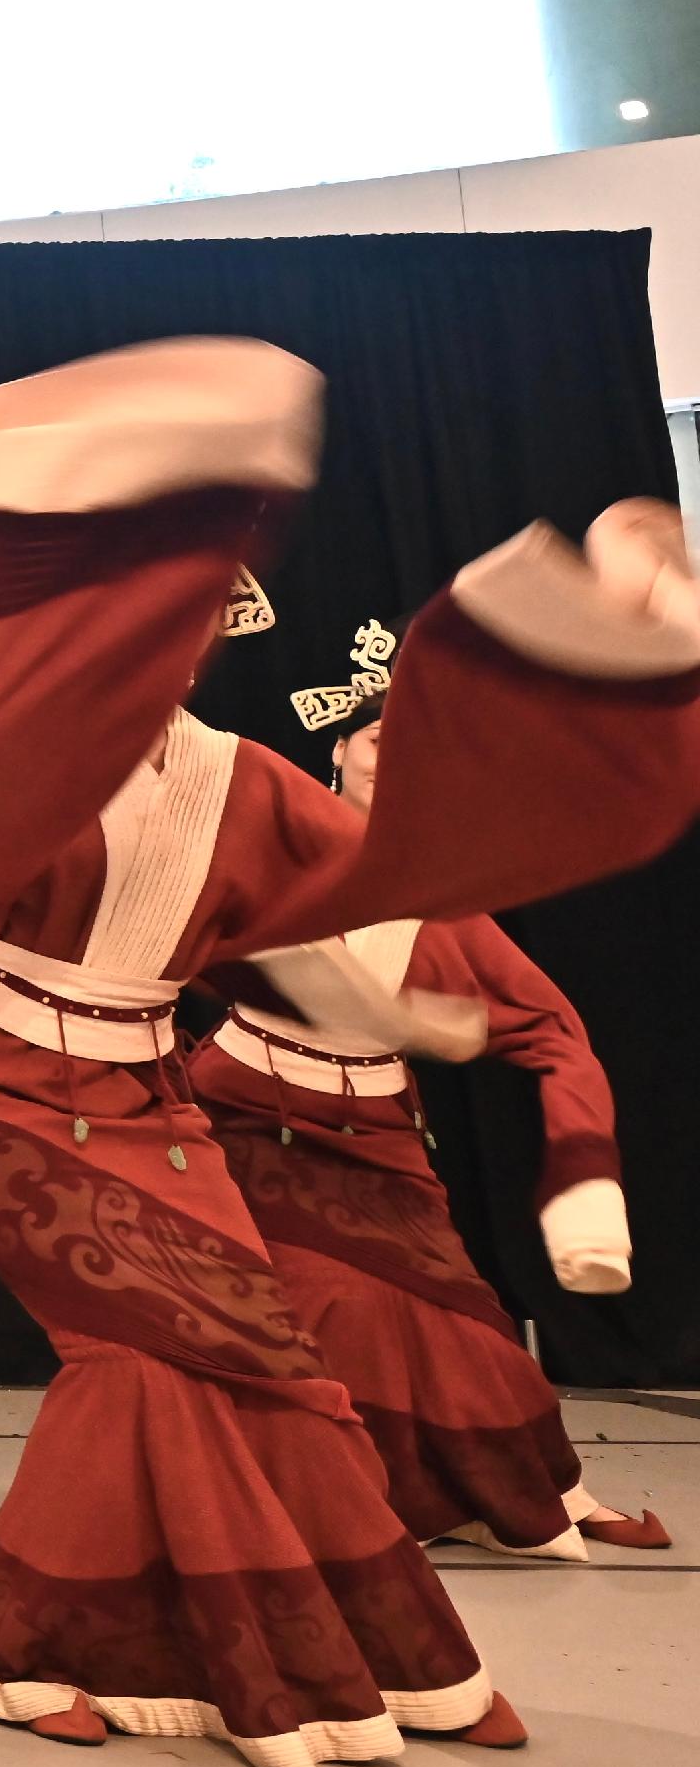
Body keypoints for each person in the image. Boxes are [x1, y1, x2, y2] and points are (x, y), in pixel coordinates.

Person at [0, 335, 700, 1767]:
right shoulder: (38, 749)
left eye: (197, 617)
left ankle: (382, 1654)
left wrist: (577, 682)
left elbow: (398, 869)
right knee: (139, 1361)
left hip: (143, 1096)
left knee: (280, 1375)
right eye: (148, 609)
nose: (174, 634)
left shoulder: (245, 780)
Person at [181, 619, 666, 1558]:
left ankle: (539, 1486)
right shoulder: (266, 848)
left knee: (470, 1332)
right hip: (245, 1119)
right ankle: (281, 1498)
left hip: (371, 1136)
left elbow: (551, 1028)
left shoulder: (446, 899)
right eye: (375, 738)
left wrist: (585, 1173)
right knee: (306, 1313)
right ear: (338, 751)